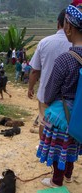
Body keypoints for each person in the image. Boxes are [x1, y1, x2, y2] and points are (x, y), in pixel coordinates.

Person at [36, 2, 82, 187]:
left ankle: (57, 181)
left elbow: (50, 91)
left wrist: (46, 101)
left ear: (68, 27)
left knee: (58, 149)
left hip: (63, 113)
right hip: (79, 115)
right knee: (71, 147)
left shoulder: (65, 59)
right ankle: (69, 175)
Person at [28, 9, 72, 139]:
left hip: (46, 94)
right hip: (70, 96)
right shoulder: (77, 43)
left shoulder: (44, 42)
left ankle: (45, 148)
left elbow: (35, 70)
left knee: (45, 121)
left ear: (58, 23)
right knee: (67, 124)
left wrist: (30, 88)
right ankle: (64, 154)